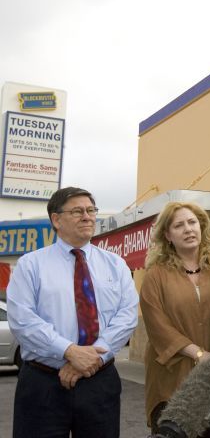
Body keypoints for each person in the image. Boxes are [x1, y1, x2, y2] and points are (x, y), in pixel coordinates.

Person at [7, 186, 139, 437]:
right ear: (56, 220)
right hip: (43, 384)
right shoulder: (30, 264)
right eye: (78, 211)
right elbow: (22, 320)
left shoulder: (116, 264)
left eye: (91, 210)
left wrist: (90, 359)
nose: (87, 216)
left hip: (100, 382)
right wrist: (69, 351)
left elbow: (127, 315)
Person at [140, 201, 210, 437]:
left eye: (192, 222)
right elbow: (157, 325)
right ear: (168, 235)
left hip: (209, 379)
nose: (188, 229)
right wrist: (199, 354)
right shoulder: (155, 275)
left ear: (202, 228)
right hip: (169, 378)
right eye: (179, 225)